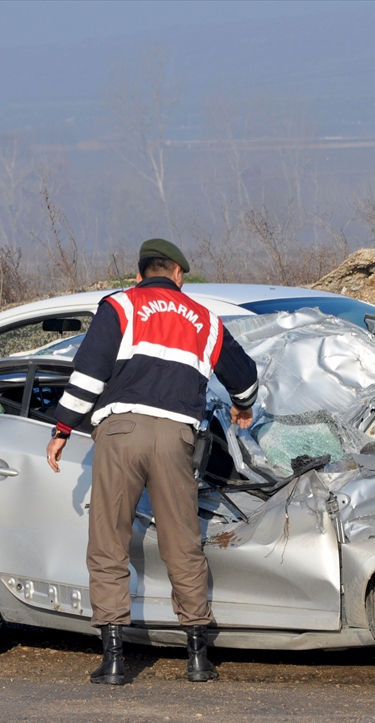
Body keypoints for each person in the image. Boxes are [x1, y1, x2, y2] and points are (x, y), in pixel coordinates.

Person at [45, 239, 259, 685]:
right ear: (179, 274)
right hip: (175, 436)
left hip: (120, 432)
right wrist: (242, 406)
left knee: (108, 543)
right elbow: (244, 376)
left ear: (139, 274)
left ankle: (115, 659)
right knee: (181, 543)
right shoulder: (203, 318)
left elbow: (87, 374)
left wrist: (62, 428)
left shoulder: (120, 306)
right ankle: (198, 656)